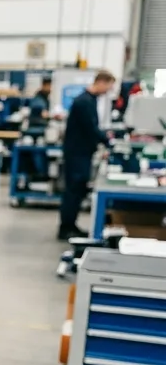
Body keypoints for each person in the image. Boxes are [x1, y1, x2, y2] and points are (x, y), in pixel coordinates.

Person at [58, 70, 115, 240]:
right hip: (77, 154)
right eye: (109, 87)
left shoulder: (89, 100)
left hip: (82, 153)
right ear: (101, 82)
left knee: (77, 190)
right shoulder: (84, 102)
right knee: (73, 191)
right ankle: (66, 228)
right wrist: (108, 141)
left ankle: (70, 224)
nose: (108, 91)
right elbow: (90, 128)